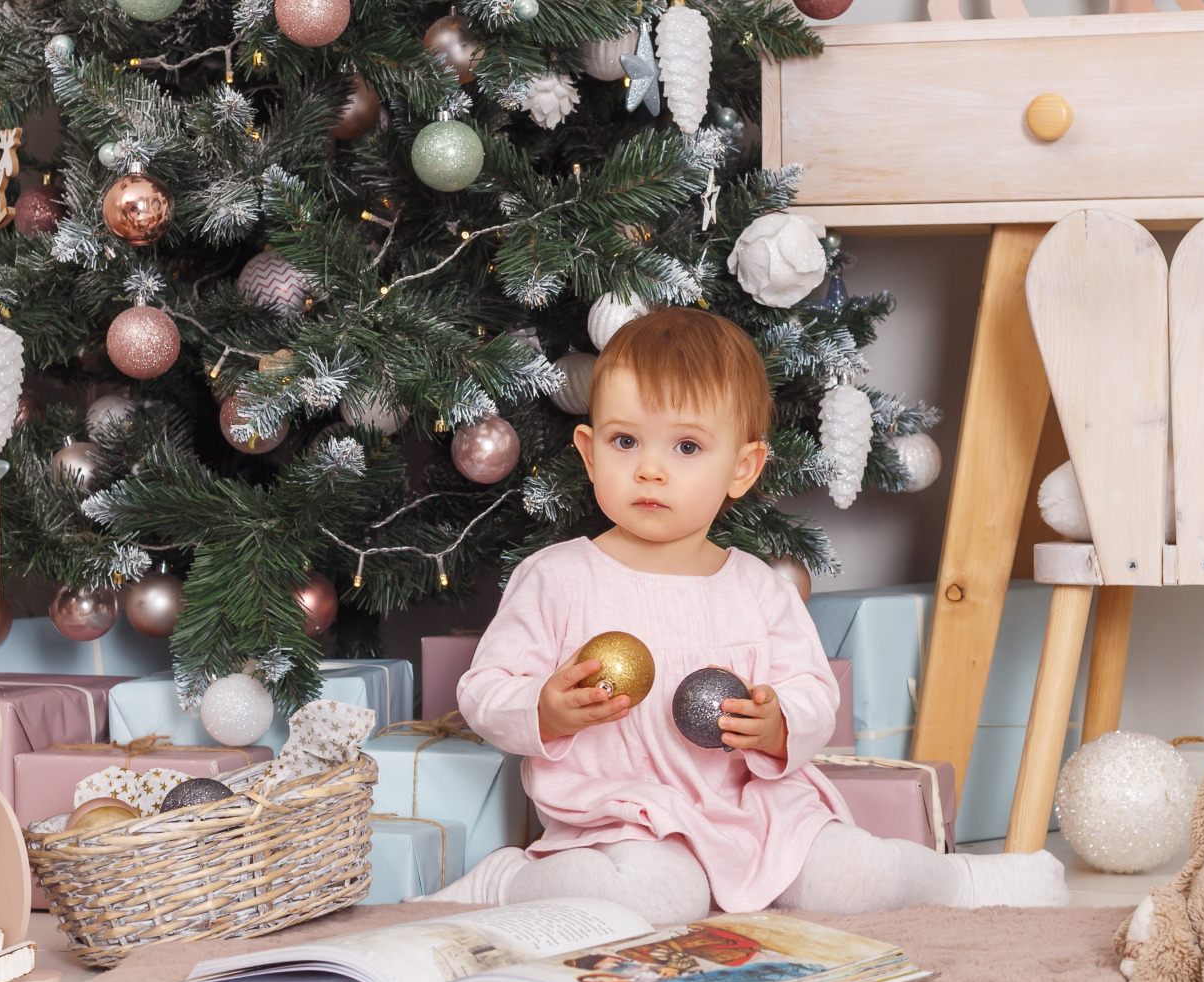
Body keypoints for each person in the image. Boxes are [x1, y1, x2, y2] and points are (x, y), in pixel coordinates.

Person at [427, 306, 1068, 923]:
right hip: (623, 821)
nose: (650, 468)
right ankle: (509, 880)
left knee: (854, 875)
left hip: (757, 812)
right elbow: (484, 690)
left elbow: (812, 693)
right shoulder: (558, 577)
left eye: (686, 447)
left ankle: (963, 879)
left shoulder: (757, 588)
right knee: (657, 896)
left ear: (742, 468)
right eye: (626, 441)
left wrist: (776, 724)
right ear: (591, 454)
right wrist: (543, 708)